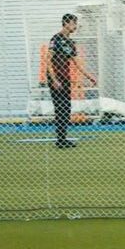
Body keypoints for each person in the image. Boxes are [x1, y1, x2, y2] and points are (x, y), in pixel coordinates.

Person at [46, 13, 97, 148]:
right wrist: (54, 79)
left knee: (66, 107)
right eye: (74, 23)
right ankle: (60, 140)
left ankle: (62, 138)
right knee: (59, 107)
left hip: (65, 78)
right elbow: (48, 61)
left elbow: (76, 62)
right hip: (55, 79)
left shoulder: (70, 42)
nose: (76, 26)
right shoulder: (55, 39)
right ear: (66, 23)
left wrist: (89, 76)